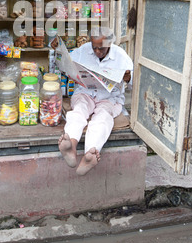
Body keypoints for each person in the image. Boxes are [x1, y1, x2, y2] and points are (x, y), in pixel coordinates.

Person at [51, 27, 133, 176]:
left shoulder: (121, 56)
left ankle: (90, 153)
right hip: (85, 92)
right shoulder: (83, 50)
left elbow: (133, 82)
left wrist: (128, 78)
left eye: (101, 48)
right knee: (78, 110)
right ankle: (71, 146)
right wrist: (59, 51)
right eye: (94, 47)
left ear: (109, 44)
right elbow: (66, 63)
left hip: (109, 98)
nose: (96, 51)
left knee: (103, 118)